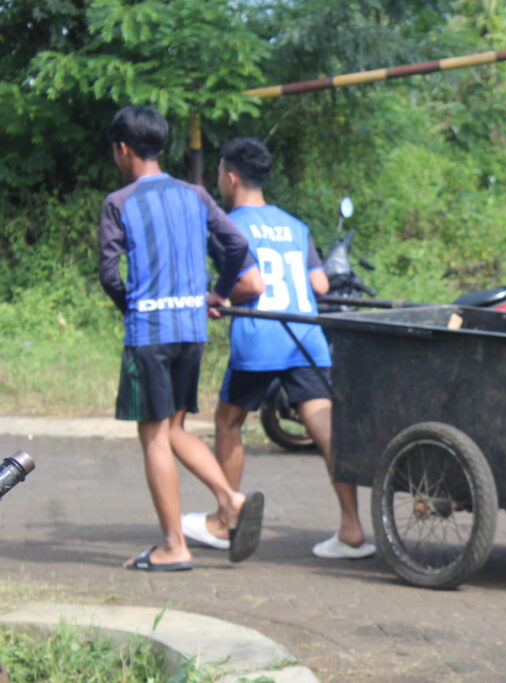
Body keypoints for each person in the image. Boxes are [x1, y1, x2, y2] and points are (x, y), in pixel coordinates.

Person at [181, 137, 374, 560]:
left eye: (220, 174)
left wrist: (220, 297)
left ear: (231, 178)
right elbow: (319, 283)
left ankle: (224, 520)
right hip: (305, 336)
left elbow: (251, 284)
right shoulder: (294, 226)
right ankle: (352, 528)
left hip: (262, 337)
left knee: (229, 421)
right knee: (325, 428)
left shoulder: (227, 224)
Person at [98, 105, 265, 571]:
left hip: (150, 332)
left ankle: (174, 545)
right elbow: (237, 246)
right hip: (192, 330)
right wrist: (218, 292)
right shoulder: (195, 195)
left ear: (123, 149)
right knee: (174, 428)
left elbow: (109, 274)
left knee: (153, 435)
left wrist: (131, 307)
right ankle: (230, 499)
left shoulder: (119, 202)